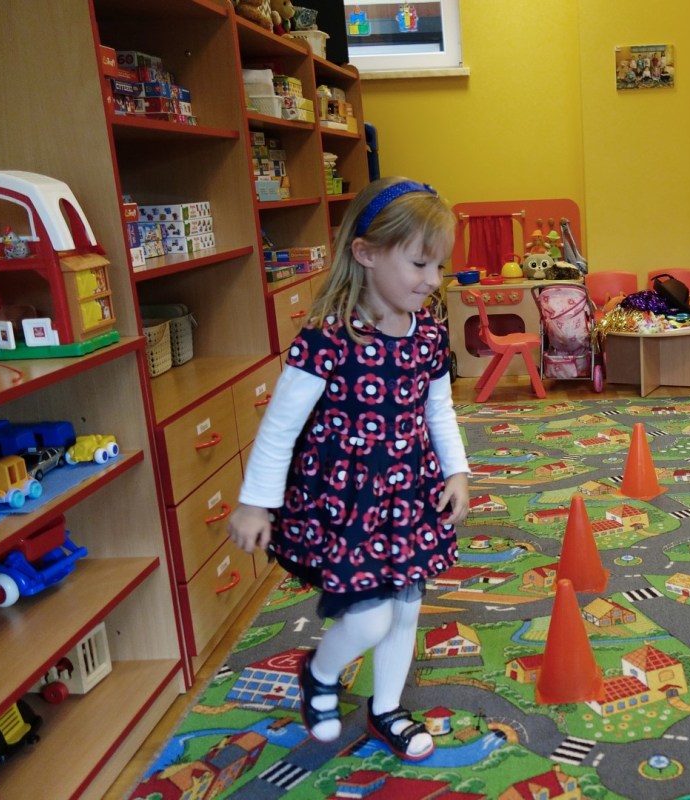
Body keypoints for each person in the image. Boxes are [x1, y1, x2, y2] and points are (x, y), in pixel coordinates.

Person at [228, 177, 470, 762]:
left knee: (406, 609)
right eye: (419, 263)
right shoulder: (328, 338)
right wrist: (256, 502)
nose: (433, 280)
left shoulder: (428, 335)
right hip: (347, 502)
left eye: (438, 266)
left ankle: (386, 710)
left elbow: (438, 408)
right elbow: (280, 426)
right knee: (368, 622)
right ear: (365, 253)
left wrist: (456, 471)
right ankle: (320, 670)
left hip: (408, 492)